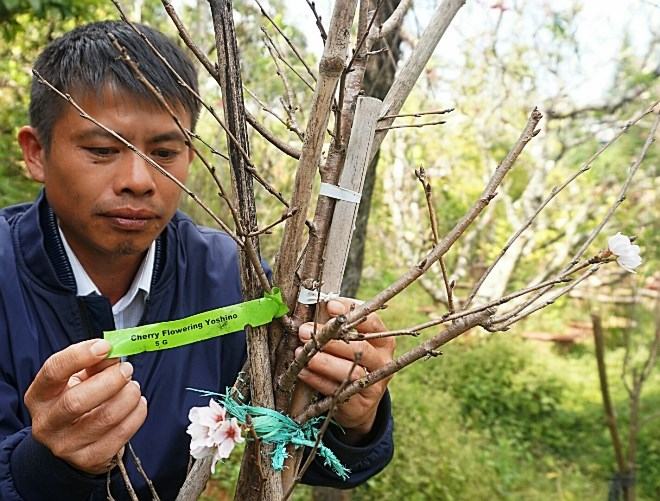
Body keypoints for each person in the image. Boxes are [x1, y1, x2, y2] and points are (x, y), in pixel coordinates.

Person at [0, 21, 394, 500]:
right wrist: (42, 465)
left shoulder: (226, 274)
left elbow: (295, 441)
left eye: (165, 151)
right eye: (102, 150)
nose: (138, 180)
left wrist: (354, 418)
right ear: (36, 152)